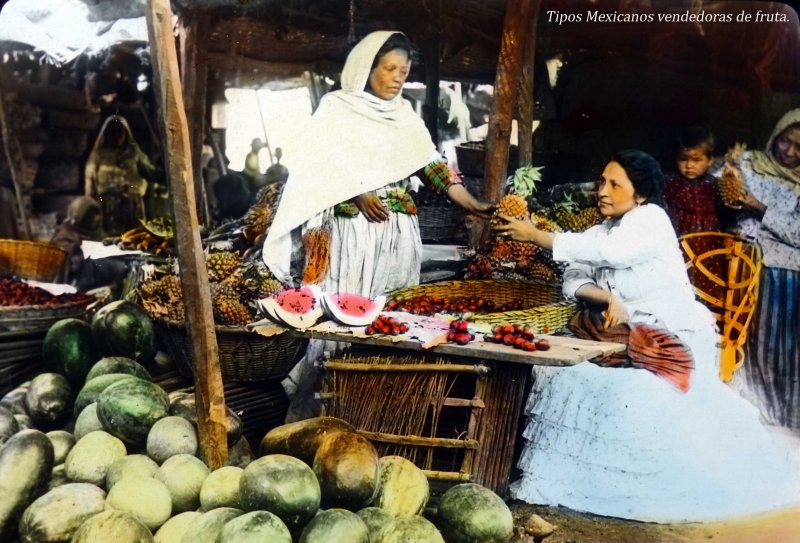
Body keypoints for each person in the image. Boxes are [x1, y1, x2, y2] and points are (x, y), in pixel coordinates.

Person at [494, 149, 800, 522]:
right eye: (601, 182)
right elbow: (574, 276)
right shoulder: (602, 228)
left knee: (632, 394)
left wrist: (538, 235)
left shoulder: (650, 219)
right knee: (566, 373)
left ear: (639, 195)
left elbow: (611, 253)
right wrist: (603, 295)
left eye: (614, 184)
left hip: (672, 335)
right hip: (627, 334)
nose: (602, 191)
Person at [263, 31, 492, 298]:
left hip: (397, 233)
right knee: (346, 303)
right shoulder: (336, 108)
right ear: (366, 68)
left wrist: (471, 203)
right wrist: (358, 191)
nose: (398, 77)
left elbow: (432, 166)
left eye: (404, 71)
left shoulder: (404, 116)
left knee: (391, 312)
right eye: (390, 68)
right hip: (352, 232)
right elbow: (317, 164)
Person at [725, 109, 800, 431]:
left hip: (787, 271)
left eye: (799, 147)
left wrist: (759, 206)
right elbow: (722, 190)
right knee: (749, 337)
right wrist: (728, 169)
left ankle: (785, 413)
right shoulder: (751, 162)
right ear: (776, 134)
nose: (789, 152)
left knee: (783, 343)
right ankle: (755, 410)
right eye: (785, 141)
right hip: (748, 260)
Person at [85, 115, 157, 236]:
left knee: (133, 240)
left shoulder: (134, 154)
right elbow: (90, 183)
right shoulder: (98, 156)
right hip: (106, 206)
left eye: (121, 132)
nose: (118, 136)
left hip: (132, 206)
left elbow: (148, 175)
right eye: (114, 132)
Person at [663, 126, 721, 235]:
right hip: (678, 233)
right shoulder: (669, 181)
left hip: (708, 234)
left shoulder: (714, 184)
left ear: (710, 160)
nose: (689, 165)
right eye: (683, 159)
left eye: (696, 160)